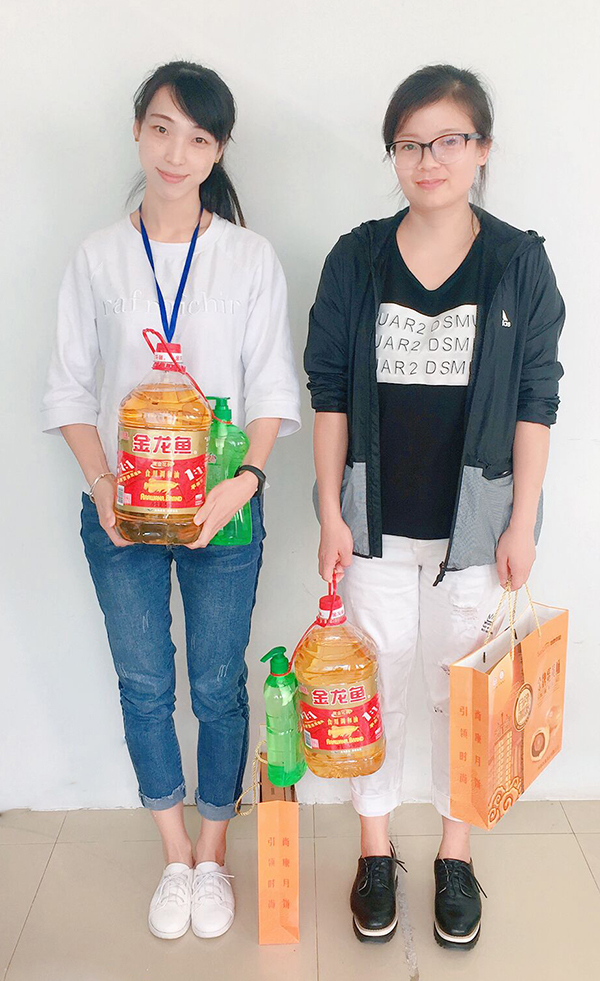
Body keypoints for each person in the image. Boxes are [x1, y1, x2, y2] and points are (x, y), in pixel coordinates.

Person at [304, 64, 564, 950]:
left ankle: (455, 854)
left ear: (482, 149)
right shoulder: (358, 257)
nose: (429, 159)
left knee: (466, 697)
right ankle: (375, 851)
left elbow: (536, 398)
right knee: (373, 688)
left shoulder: (517, 263)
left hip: (480, 530)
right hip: (372, 525)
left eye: (449, 140)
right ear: (394, 154)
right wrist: (330, 511)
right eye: (411, 143)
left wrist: (523, 520)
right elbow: (329, 393)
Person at [41, 60, 301, 941]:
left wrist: (245, 482)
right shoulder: (97, 257)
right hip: (123, 514)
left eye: (196, 136)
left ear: (218, 150)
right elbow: (69, 390)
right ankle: (175, 852)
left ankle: (216, 852)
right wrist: (101, 486)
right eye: (160, 128)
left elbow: (273, 388)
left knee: (219, 685)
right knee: (145, 682)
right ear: (137, 132)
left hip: (223, 509)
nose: (175, 152)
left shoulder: (247, 258)